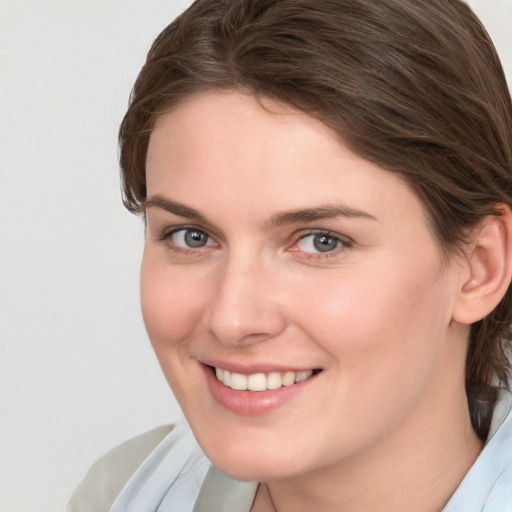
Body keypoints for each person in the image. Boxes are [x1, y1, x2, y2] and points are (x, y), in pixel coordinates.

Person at [68, 0, 512, 510]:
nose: (232, 319)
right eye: (192, 236)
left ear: (480, 267)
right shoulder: (118, 493)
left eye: (321, 241)